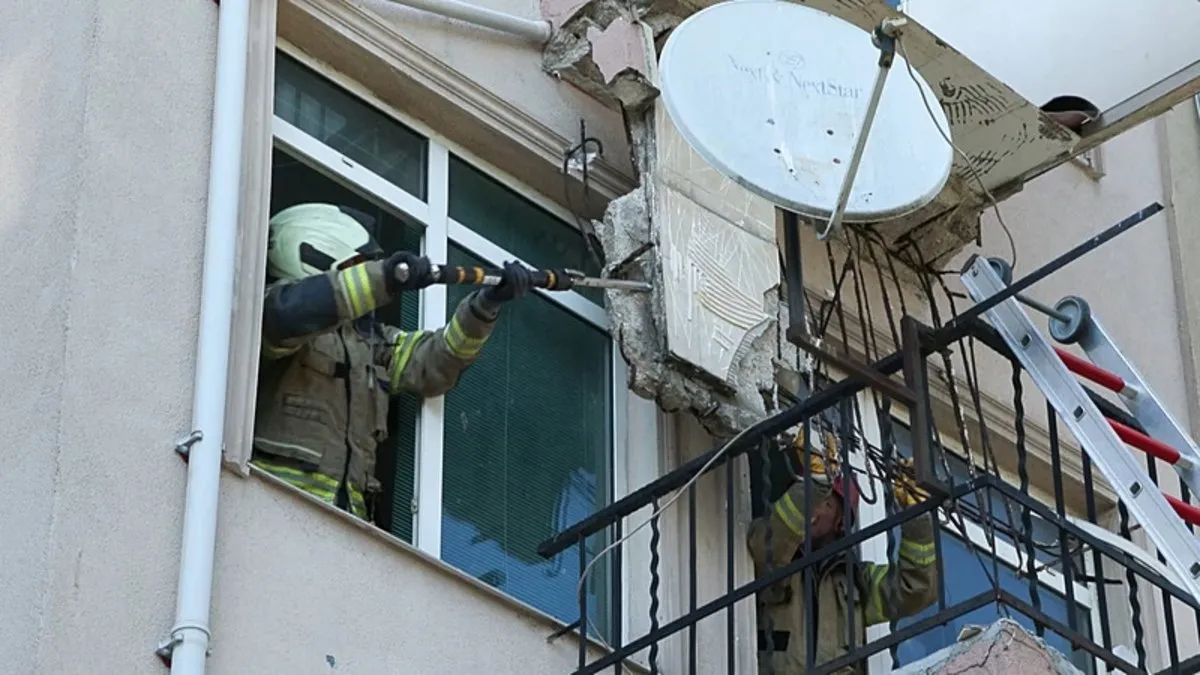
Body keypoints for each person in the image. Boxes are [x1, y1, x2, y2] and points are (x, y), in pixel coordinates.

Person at [252, 203, 533, 520]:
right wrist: (388, 276)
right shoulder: (271, 312)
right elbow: (299, 311)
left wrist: (485, 306)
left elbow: (435, 363)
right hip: (271, 507)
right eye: (356, 264)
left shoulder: (370, 342)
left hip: (347, 525)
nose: (365, 272)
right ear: (315, 252)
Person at [748, 428, 938, 675]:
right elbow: (768, 546)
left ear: (841, 521)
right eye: (803, 495)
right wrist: (817, 484)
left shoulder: (855, 580)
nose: (811, 509)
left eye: (825, 502)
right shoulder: (777, 557)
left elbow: (916, 588)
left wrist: (918, 518)